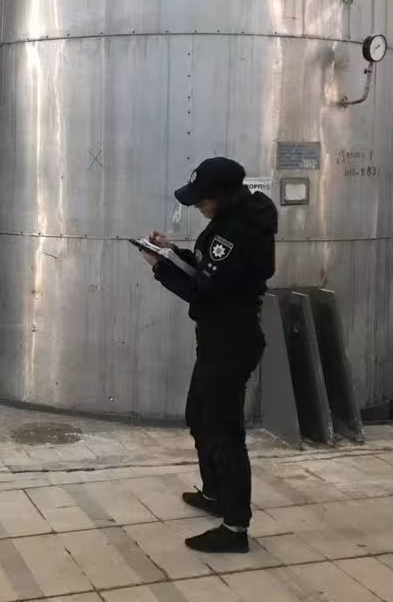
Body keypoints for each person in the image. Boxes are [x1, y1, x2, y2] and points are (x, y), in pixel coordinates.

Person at [142, 156, 277, 554]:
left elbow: (204, 291)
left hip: (231, 340)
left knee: (224, 433)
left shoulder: (238, 231)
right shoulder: (230, 222)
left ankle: (235, 528)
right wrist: (171, 252)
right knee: (199, 417)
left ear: (225, 195)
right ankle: (216, 493)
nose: (199, 205)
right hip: (218, 336)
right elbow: (208, 269)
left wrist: (160, 269)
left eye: (203, 199)